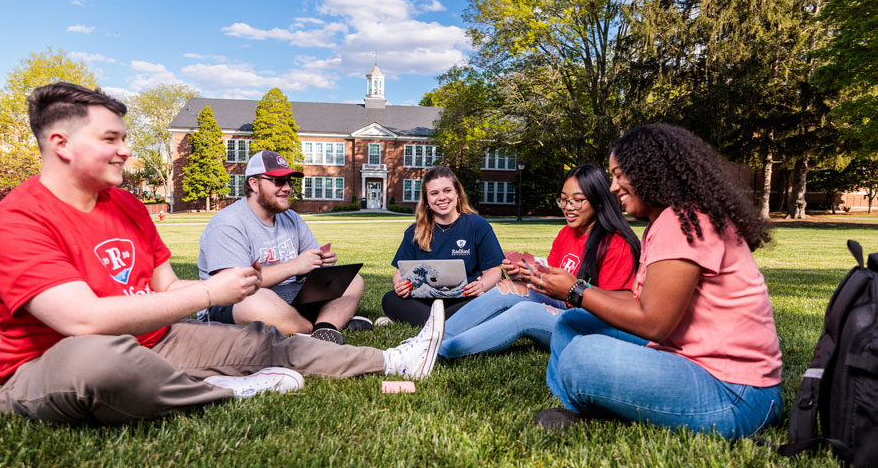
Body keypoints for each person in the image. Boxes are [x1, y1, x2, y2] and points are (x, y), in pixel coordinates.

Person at [0, 82, 445, 426]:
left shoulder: (125, 205)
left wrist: (212, 292)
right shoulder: (18, 222)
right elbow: (81, 322)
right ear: (60, 144)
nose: (126, 150)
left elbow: (166, 287)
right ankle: (220, 389)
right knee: (100, 360)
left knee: (263, 342)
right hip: (51, 362)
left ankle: (393, 361)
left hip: (157, 339)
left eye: (123, 138)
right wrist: (213, 291)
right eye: (110, 140)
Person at [533, 124, 783, 439]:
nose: (613, 188)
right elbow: (642, 302)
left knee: (583, 356)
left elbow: (654, 324)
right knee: (572, 323)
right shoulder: (669, 220)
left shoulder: (683, 223)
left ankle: (589, 401)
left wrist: (576, 290)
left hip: (737, 395)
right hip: (695, 363)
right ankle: (579, 405)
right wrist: (576, 290)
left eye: (619, 175)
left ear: (650, 171)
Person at [438, 164, 639, 360]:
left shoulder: (616, 243)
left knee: (524, 312)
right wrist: (527, 275)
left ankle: (440, 352)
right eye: (563, 200)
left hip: (592, 327)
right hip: (566, 307)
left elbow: (620, 304)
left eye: (577, 201)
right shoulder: (568, 233)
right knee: (509, 288)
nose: (568, 208)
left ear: (600, 201)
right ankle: (433, 339)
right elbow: (552, 282)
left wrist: (576, 289)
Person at [198, 150, 372, 345]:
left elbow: (309, 265)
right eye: (278, 181)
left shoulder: (291, 219)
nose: (287, 188)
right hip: (233, 303)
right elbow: (233, 285)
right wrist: (294, 266)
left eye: (289, 181)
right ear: (254, 183)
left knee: (352, 280)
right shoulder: (228, 223)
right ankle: (313, 329)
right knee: (253, 302)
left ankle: (325, 329)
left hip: (288, 296)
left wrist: (320, 262)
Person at [381, 166, 505, 326]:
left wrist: (482, 285)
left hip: (466, 299)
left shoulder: (477, 225)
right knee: (390, 298)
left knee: (492, 298)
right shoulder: (415, 231)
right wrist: (400, 285)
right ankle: (447, 323)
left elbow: (494, 271)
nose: (442, 197)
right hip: (426, 301)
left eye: (447, 190)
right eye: (434, 193)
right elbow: (399, 273)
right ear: (426, 200)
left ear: (457, 194)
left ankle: (430, 323)